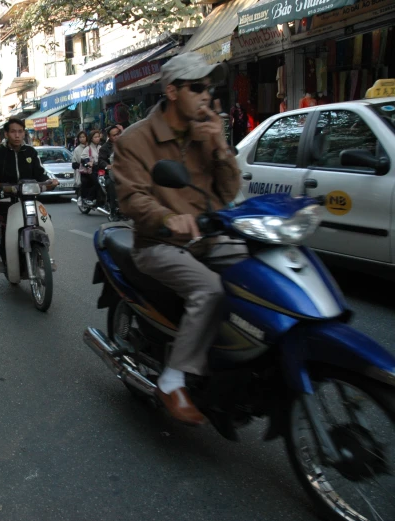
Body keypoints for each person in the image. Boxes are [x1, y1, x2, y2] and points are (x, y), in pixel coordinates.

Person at [113, 52, 244, 426]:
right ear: (172, 91)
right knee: (211, 290)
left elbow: (230, 190)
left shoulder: (206, 132)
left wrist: (219, 145)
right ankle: (173, 378)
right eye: (197, 87)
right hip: (159, 244)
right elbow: (132, 198)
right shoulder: (135, 140)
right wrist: (170, 219)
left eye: (210, 88)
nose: (206, 96)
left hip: (210, 239)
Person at [0, 118, 58, 268]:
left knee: (45, 220)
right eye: (13, 132)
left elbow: (41, 173)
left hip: (30, 199)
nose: (17, 135)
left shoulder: (30, 151)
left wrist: (50, 181)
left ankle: (45, 256)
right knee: (6, 229)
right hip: (6, 200)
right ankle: (3, 255)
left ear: (24, 133)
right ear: (6, 134)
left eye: (20, 131)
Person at [80, 130, 103, 204]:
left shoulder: (101, 148)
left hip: (101, 168)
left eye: (98, 137)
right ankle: (89, 198)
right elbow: (83, 159)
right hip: (92, 170)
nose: (97, 138)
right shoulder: (88, 149)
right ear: (91, 138)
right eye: (95, 137)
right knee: (97, 183)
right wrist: (88, 163)